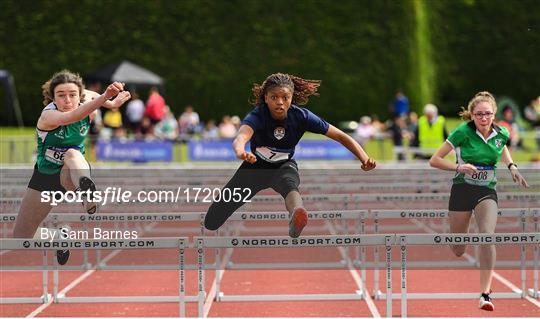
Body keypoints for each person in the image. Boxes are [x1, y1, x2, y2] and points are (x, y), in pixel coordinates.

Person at [204, 73, 376, 237]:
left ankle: (297, 214)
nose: (280, 102)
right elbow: (242, 135)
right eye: (274, 97)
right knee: (211, 221)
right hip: (255, 166)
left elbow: (341, 136)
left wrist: (364, 158)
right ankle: (218, 215)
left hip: (283, 166)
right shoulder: (258, 115)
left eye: (285, 98)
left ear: (291, 98)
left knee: (290, 185)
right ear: (266, 98)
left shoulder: (302, 116)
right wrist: (240, 151)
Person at [13, 70, 130, 265]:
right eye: (61, 95)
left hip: (73, 173)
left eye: (72, 95)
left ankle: (87, 193)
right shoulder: (48, 116)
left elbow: (92, 96)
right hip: (45, 178)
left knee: (72, 154)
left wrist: (111, 103)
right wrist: (105, 99)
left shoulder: (87, 98)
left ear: (80, 94)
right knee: (20, 238)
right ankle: (60, 236)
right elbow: (75, 115)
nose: (67, 100)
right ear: (52, 97)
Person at [429, 91, 529, 311]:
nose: (484, 118)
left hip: (487, 191)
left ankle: (485, 294)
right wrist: (458, 167)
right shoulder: (462, 133)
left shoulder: (502, 132)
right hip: (462, 190)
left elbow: (501, 146)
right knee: (458, 249)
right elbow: (434, 160)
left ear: (494, 115)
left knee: (487, 236)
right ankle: (459, 240)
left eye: (488, 114)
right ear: (472, 115)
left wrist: (511, 166)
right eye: (479, 114)